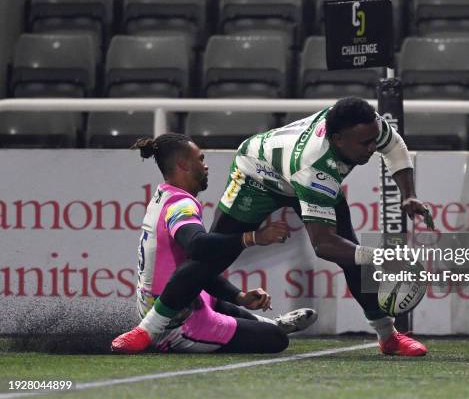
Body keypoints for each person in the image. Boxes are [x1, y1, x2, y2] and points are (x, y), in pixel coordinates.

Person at [210, 97, 430, 356]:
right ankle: (164, 315)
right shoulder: (314, 166)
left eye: (373, 140)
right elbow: (323, 245)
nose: (372, 149)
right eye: (365, 144)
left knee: (353, 255)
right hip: (257, 177)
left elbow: (394, 147)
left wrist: (408, 194)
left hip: (304, 176)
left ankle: (388, 337)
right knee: (211, 253)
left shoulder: (368, 126)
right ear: (338, 140)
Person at [111, 133, 317, 354]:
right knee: (276, 340)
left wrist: (240, 297)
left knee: (214, 297)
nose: (206, 166)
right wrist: (255, 237)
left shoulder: (164, 195)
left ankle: (272, 323)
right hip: (175, 323)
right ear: (183, 164)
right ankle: (273, 327)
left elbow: (197, 268)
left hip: (171, 303)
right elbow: (197, 246)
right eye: (200, 159)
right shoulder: (181, 204)